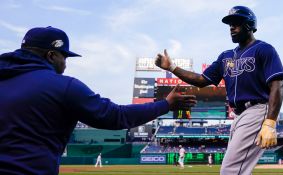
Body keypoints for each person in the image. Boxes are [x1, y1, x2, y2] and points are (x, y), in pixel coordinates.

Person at [0, 26, 197, 175]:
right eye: (64, 57)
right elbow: (116, 117)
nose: (65, 64)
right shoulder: (62, 86)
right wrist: (166, 104)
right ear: (51, 55)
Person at [155, 6, 283, 175]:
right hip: (238, 116)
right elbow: (201, 80)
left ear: (249, 25)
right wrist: (172, 67)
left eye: (236, 23)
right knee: (240, 170)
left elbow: (278, 85)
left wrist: (270, 123)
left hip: (257, 110)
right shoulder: (225, 56)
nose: (231, 27)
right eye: (229, 24)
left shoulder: (264, 49)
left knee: (230, 170)